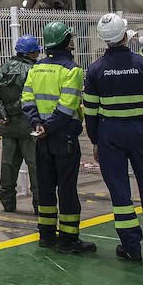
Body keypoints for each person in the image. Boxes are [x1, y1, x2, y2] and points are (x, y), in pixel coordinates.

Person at [83, 12, 143, 262]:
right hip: (139, 132)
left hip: (109, 134)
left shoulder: (95, 70)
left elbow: (91, 111)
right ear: (125, 35)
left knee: (120, 192)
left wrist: (96, 140)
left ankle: (131, 248)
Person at [21, 21, 95, 254]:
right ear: (65, 41)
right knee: (66, 188)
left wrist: (38, 125)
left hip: (41, 137)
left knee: (45, 186)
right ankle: (68, 239)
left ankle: (46, 236)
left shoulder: (36, 68)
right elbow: (67, 105)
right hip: (63, 137)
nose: (72, 41)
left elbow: (27, 100)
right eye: (69, 37)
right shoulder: (72, 70)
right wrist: (49, 127)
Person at [0, 35, 42, 213]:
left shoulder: (4, 68)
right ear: (32, 53)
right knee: (35, 167)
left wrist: (3, 112)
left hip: (8, 125)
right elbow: (29, 98)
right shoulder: (34, 70)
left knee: (8, 166)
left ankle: (8, 203)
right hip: (29, 125)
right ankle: (40, 205)